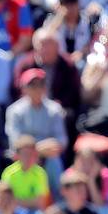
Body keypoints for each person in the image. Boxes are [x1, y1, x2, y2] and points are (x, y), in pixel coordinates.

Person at [5, 69, 68, 197]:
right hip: (22, 157)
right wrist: (36, 150)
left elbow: (62, 141)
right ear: (23, 88)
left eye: (41, 84)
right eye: (32, 85)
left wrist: (34, 150)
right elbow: (15, 143)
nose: (37, 89)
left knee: (54, 161)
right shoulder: (14, 111)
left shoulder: (54, 110)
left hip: (48, 157)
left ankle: (60, 202)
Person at [1, 135, 50, 210]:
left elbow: (40, 202)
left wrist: (17, 201)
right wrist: (29, 201)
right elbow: (6, 199)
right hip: (13, 210)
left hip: (33, 211)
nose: (29, 158)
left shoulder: (40, 173)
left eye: (32, 154)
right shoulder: (9, 173)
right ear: (17, 156)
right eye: (25, 154)